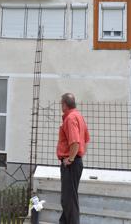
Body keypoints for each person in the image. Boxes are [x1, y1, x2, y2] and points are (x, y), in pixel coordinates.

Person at [56, 93, 90, 224]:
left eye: (61, 103)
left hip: (71, 164)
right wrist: (79, 156)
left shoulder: (70, 118)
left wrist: (70, 159)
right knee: (69, 199)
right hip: (76, 162)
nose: (61, 105)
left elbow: (75, 142)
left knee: (69, 200)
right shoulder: (79, 116)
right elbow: (86, 140)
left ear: (64, 104)